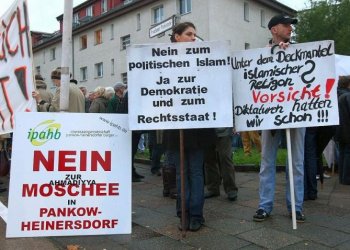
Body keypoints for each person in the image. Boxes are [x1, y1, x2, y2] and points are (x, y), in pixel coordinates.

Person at [253, 14, 306, 223]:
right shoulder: (261, 55)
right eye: (286, 25)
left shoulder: (302, 53)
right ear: (274, 29)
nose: (290, 29)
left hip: (297, 115)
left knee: (297, 163)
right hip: (270, 117)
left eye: (291, 26)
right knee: (267, 161)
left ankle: (297, 207)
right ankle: (264, 206)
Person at [163, 22, 215, 232]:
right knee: (181, 173)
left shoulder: (204, 59)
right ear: (176, 36)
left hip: (200, 127)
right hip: (176, 128)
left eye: (195, 34)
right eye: (189, 34)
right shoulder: (162, 60)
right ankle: (182, 213)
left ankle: (196, 214)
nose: (194, 37)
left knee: (195, 172)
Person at [112, 82, 144, 182]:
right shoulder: (132, 94)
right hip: (131, 126)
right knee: (130, 151)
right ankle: (129, 173)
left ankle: (132, 171)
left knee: (132, 151)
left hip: (134, 126)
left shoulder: (130, 93)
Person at [204, 127, 238, 201]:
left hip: (224, 129)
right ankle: (213, 188)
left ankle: (231, 189)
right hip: (206, 130)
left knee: (225, 157)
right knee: (208, 159)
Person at [336, 76, 350, 184]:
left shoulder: (337, 95)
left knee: (342, 153)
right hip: (347, 129)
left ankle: (342, 177)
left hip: (339, 129)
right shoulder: (347, 96)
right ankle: (346, 178)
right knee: (347, 153)